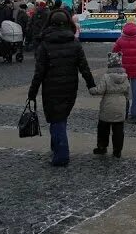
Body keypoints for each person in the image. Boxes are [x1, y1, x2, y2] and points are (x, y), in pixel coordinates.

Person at [29, 9, 96, 166]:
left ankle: (61, 154)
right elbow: (84, 67)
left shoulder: (45, 45)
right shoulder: (74, 43)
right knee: (60, 116)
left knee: (56, 119)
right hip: (70, 86)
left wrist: (32, 91)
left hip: (51, 87)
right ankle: (56, 146)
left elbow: (39, 72)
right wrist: (91, 84)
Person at [90, 53, 130, 157]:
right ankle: (117, 150)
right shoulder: (125, 77)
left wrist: (91, 90)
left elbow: (99, 90)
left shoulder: (106, 77)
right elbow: (127, 91)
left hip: (107, 105)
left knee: (103, 127)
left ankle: (102, 147)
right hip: (120, 105)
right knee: (118, 129)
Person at [111, 21, 136, 122]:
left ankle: (124, 112)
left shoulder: (120, 40)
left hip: (123, 70)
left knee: (124, 91)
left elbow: (114, 52)